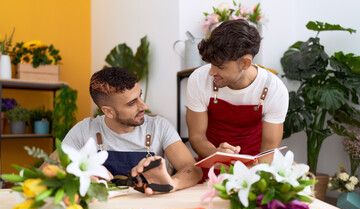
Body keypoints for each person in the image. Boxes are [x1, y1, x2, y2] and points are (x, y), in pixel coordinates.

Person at [62, 67, 202, 194]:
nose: (144, 106)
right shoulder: (84, 130)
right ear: (108, 112)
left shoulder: (159, 126)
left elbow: (192, 168)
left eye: (139, 96)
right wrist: (79, 177)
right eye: (132, 103)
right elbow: (48, 168)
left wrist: (173, 183)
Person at [186, 19, 289, 183]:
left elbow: (269, 148)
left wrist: (251, 173)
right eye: (211, 64)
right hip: (211, 166)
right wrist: (217, 155)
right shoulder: (198, 79)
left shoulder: (274, 89)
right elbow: (197, 137)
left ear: (245, 63)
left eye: (220, 67)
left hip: (254, 168)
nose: (212, 72)